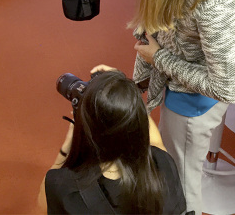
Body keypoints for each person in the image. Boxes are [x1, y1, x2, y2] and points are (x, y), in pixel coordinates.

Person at [70, 0, 235, 215]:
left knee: (179, 179)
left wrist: (159, 57)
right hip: (179, 81)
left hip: (195, 102)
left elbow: (225, 86)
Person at [38, 66, 187, 214]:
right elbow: (156, 142)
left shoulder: (63, 187)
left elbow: (42, 206)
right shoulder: (162, 165)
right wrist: (125, 95)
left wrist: (66, 147)